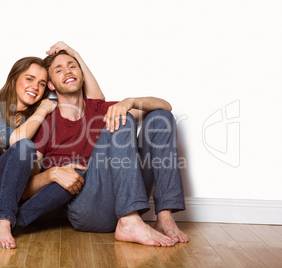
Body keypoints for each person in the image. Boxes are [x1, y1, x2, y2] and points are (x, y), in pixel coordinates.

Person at [26, 50, 190, 247]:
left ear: (81, 74)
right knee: (122, 118)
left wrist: (128, 101)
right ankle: (129, 221)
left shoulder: (99, 108)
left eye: (72, 66)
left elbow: (166, 106)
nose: (68, 72)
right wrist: (53, 173)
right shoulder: (46, 119)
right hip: (87, 206)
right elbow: (27, 183)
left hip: (125, 196)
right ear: (51, 84)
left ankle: (164, 218)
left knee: (160, 118)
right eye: (59, 70)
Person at [0, 42, 104, 249]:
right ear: (14, 79)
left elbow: (96, 101)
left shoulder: (43, 117)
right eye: (29, 79)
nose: (35, 87)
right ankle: (3, 221)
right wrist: (42, 111)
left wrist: (76, 55)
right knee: (25, 148)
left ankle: (9, 224)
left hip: (21, 203)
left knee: (74, 173)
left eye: (41, 83)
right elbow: (17, 141)